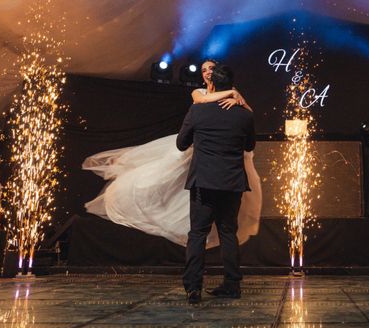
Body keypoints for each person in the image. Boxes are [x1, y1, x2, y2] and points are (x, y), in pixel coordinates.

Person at [82, 60, 261, 250]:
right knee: (164, 179)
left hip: (221, 156)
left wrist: (236, 99)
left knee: (219, 215)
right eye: (204, 70)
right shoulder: (200, 93)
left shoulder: (233, 92)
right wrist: (230, 94)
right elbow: (201, 101)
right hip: (201, 151)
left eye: (211, 69)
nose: (207, 72)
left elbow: (248, 115)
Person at [176, 64, 255, 303]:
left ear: (211, 84)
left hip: (204, 182)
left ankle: (193, 288)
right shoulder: (244, 114)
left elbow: (181, 143)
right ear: (231, 86)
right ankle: (232, 285)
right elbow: (250, 146)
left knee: (197, 234)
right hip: (232, 183)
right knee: (228, 232)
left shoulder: (197, 111)